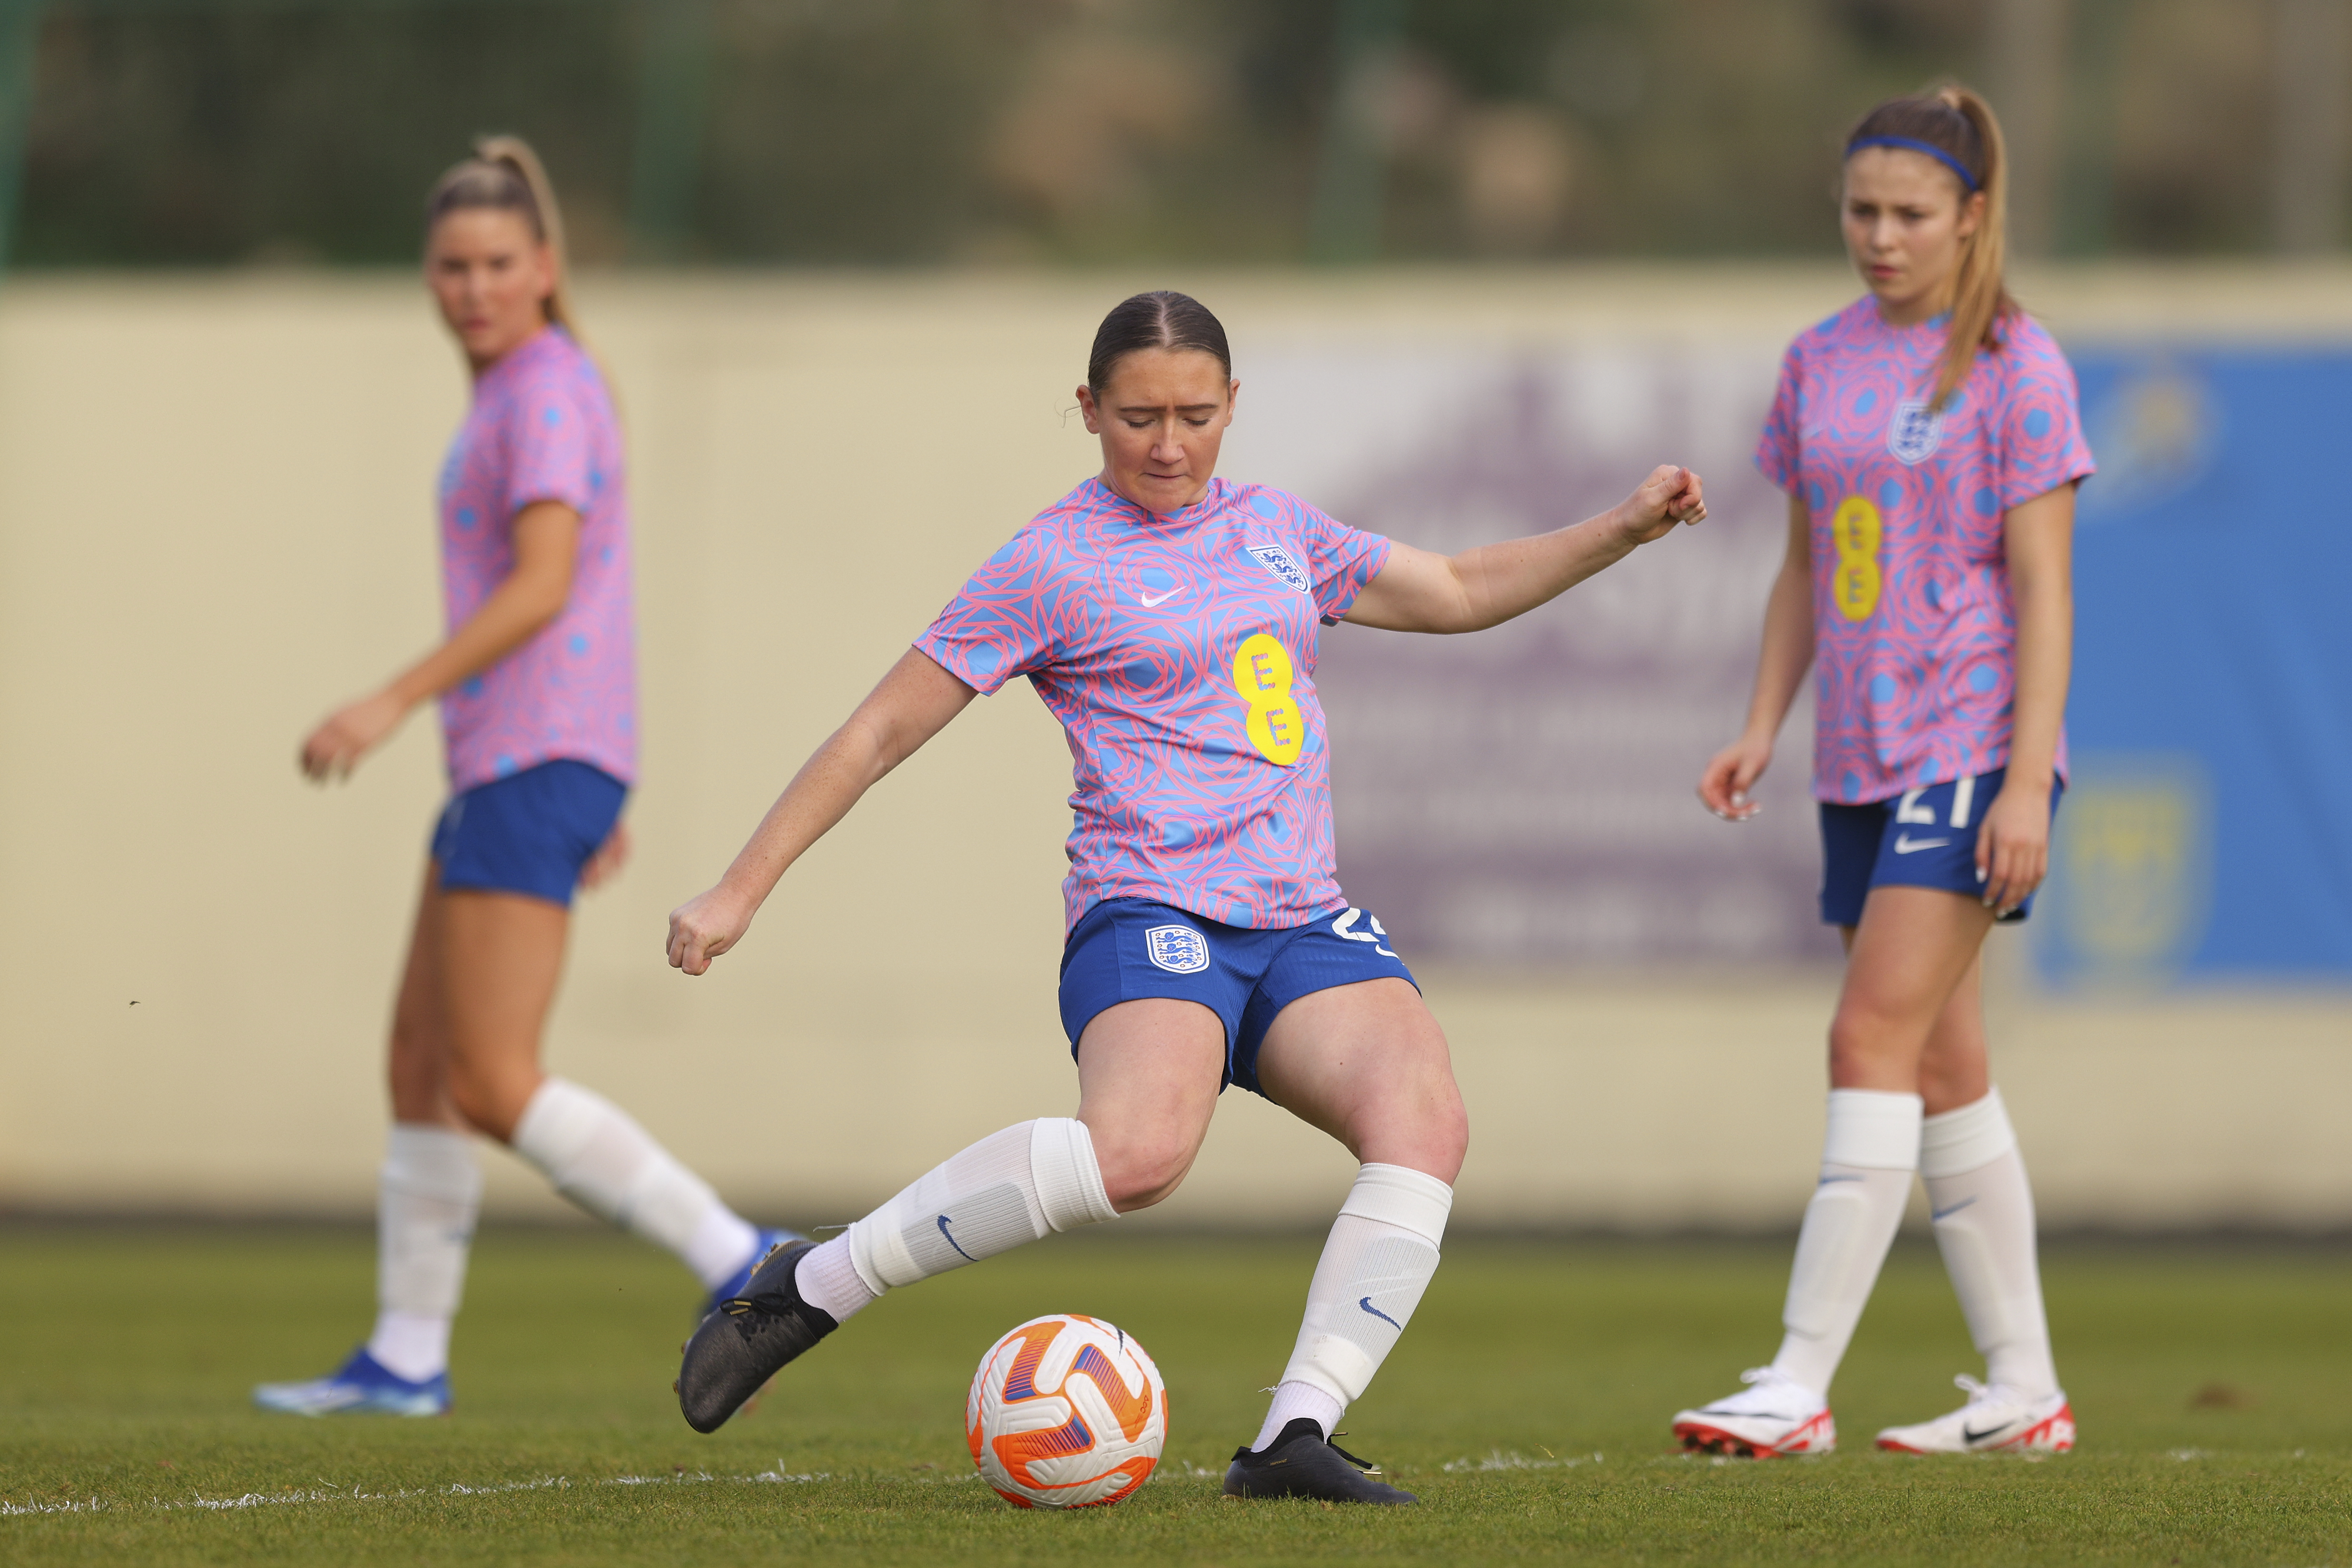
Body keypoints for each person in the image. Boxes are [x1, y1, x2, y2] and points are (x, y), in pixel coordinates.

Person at [661, 290, 1706, 1503]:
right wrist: (741, 886)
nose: (1167, 443)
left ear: (1231, 408)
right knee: (1139, 1155)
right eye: (1138, 416)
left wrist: (1622, 529)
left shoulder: (1276, 528)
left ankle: (1290, 1437)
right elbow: (877, 733)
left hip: (1302, 918)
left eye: (1195, 415)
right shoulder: (1048, 561)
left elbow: (1461, 588)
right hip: (1150, 907)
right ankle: (812, 1284)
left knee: (1424, 1121)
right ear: (1088, 408)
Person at [254, 138, 790, 1418]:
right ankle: (404, 1355)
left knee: (489, 1076)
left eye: (498, 262)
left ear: (543, 268)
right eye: (451, 265)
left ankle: (740, 1256)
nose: (472, 285)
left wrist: (392, 698)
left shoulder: (544, 390)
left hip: (528, 758)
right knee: (418, 1059)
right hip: (528, 760)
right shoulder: (514, 390)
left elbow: (546, 584)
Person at [1669, 86, 2093, 1459]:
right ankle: (2022, 1385)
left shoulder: (2017, 368)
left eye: (1909, 213)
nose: (1879, 236)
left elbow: (2043, 587)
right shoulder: (1819, 359)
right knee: (1943, 1066)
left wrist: (2025, 781)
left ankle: (1794, 1378)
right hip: (1853, 759)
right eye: (1860, 210)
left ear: (1971, 216)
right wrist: (1759, 722)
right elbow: (1801, 566)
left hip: (1966, 752)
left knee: (1865, 1039)